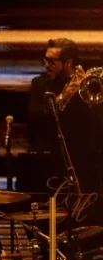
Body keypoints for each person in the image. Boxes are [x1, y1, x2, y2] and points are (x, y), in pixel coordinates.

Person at [27, 38, 102, 193]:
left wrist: (85, 91)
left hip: (87, 162)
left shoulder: (88, 83)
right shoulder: (40, 84)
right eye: (45, 59)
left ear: (68, 63)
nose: (46, 65)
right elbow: (34, 116)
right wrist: (62, 97)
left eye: (51, 61)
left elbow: (98, 120)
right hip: (52, 160)